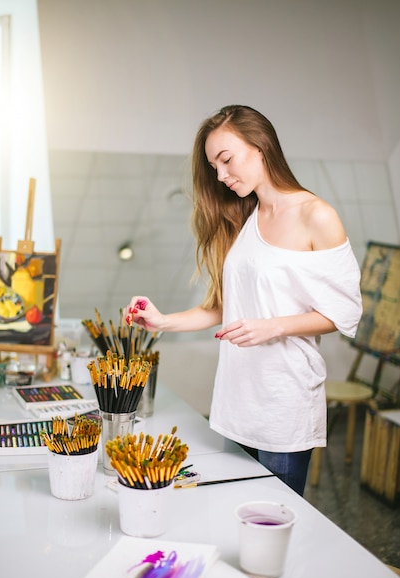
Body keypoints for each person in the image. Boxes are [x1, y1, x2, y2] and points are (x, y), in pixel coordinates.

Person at [127, 104, 362, 496]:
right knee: (235, 520)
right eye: (214, 166)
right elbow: (225, 307)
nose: (221, 176)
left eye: (226, 159)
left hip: (283, 407)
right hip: (237, 403)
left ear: (260, 146)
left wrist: (275, 326)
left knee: (271, 526)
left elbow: (346, 311)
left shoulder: (316, 215)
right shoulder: (245, 217)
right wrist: (162, 320)